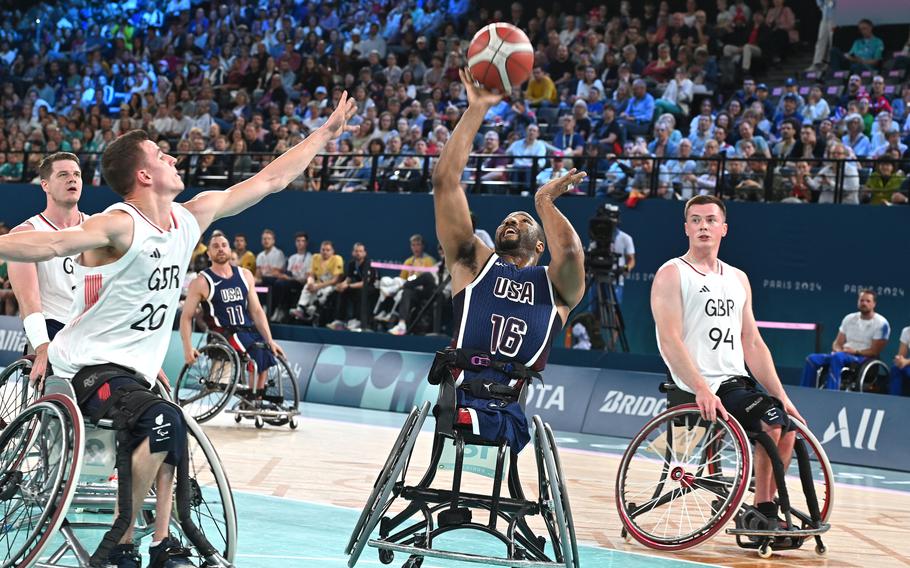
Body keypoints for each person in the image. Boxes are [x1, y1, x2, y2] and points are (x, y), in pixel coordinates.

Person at [0, 90, 356, 567]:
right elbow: (51, 244)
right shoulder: (120, 225)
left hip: (134, 373)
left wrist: (324, 135)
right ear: (145, 175)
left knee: (173, 428)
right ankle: (121, 542)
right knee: (162, 420)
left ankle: (164, 542)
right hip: (84, 370)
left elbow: (270, 178)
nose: (172, 157)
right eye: (161, 154)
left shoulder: (190, 218)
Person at [430, 67, 586, 451]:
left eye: (523, 219)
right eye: (507, 219)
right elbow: (445, 183)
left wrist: (543, 202)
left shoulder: (555, 288)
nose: (512, 220)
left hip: (512, 399)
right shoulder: (473, 263)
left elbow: (569, 252)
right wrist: (476, 109)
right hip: (461, 389)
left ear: (539, 245)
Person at [651, 194, 805, 533]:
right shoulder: (672, 273)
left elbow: (752, 342)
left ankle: (763, 509)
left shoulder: (738, 278)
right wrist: (701, 388)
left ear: (724, 228)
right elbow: (669, 339)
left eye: (710, 219)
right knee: (771, 424)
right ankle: (764, 512)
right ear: (686, 228)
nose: (703, 225)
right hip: (695, 384)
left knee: (786, 426)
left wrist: (782, 396)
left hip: (735, 382)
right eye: (695, 220)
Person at [8, 152, 88, 387]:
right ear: (45, 185)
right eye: (63, 174)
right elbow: (28, 300)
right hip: (52, 327)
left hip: (92, 330)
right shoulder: (26, 233)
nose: (72, 179)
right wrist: (42, 346)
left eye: (76, 174)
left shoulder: (98, 228)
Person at [180, 234, 285, 401]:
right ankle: (254, 397)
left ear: (230, 250)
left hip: (247, 329)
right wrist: (187, 347)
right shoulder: (201, 282)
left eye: (224, 245)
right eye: (215, 246)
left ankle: (255, 397)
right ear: (208, 254)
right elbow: (186, 317)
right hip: (223, 333)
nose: (220, 248)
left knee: (266, 351)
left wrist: (270, 340)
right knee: (257, 352)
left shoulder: (245, 275)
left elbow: (257, 311)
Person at [800, 290, 890, 389]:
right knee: (812, 359)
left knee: (838, 357)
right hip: (843, 354)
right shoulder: (849, 318)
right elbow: (837, 343)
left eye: (868, 301)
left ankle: (832, 392)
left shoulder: (881, 323)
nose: (864, 303)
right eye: (861, 300)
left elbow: (874, 351)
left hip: (863, 358)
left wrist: (855, 351)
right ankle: (806, 390)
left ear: (874, 304)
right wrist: (837, 350)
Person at [327, 242, 375, 331]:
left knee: (360, 292)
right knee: (341, 291)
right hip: (353, 286)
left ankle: (357, 320)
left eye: (360, 251)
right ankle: (339, 320)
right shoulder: (352, 263)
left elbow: (365, 282)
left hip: (369, 288)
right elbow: (348, 278)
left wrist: (348, 286)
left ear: (365, 253)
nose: (358, 253)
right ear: (353, 252)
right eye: (356, 251)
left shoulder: (368, 264)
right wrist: (342, 285)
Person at [890, 324, 910, 396]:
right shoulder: (907, 331)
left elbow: (906, 361)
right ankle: (894, 400)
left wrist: (906, 362)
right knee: (896, 368)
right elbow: (901, 355)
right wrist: (899, 360)